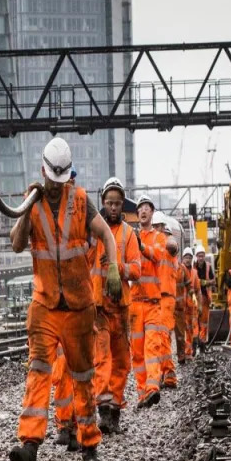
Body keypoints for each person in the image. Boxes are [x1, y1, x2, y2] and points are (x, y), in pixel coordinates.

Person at [8, 137, 121, 461]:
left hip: (78, 306)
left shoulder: (82, 202)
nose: (56, 187)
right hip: (44, 304)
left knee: (83, 376)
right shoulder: (34, 201)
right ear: (43, 172)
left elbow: (107, 235)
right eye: (51, 181)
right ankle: (29, 445)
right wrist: (27, 209)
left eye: (61, 181)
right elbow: (16, 244)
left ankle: (89, 444)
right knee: (38, 372)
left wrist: (112, 266)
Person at [90, 177, 142, 434]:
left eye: (117, 203)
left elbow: (137, 269)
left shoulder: (129, 234)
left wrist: (117, 267)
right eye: (109, 203)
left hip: (120, 307)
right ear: (103, 203)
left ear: (122, 205)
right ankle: (103, 409)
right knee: (103, 359)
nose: (113, 207)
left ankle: (115, 411)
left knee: (121, 361)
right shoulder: (94, 231)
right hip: (99, 307)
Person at [130, 197, 168, 408]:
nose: (144, 211)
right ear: (137, 214)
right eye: (141, 208)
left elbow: (157, 256)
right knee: (136, 352)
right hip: (134, 302)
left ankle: (153, 388)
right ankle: (142, 392)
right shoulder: (131, 237)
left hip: (152, 303)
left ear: (152, 213)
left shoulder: (158, 238)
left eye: (147, 208)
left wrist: (141, 245)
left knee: (151, 347)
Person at [153, 216, 179, 388]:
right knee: (160, 338)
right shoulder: (157, 248)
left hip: (166, 297)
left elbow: (172, 244)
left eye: (157, 226)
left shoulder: (168, 244)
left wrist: (164, 234)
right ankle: (165, 373)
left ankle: (169, 374)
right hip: (158, 298)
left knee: (163, 336)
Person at [181, 248, 202, 360]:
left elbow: (198, 289)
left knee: (192, 328)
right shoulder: (179, 270)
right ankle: (186, 352)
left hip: (192, 305)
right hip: (182, 305)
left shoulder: (194, 273)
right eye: (186, 257)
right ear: (183, 258)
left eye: (189, 257)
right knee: (185, 330)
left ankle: (191, 349)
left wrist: (199, 305)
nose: (188, 260)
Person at [174, 246, 193, 365]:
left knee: (180, 334)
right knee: (164, 335)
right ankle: (164, 361)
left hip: (179, 307)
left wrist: (193, 295)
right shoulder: (164, 266)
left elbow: (189, 285)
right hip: (166, 306)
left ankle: (181, 356)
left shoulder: (182, 269)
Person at [194, 247, 214, 347]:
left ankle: (202, 342)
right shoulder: (193, 267)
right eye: (199, 256)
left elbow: (213, 280)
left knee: (204, 321)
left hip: (205, 297)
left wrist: (204, 282)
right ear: (196, 256)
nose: (201, 258)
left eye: (202, 256)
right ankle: (196, 341)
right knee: (195, 321)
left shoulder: (208, 267)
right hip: (195, 298)